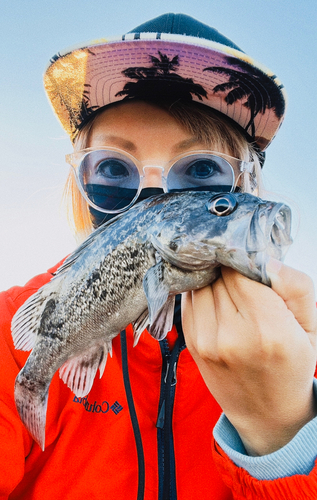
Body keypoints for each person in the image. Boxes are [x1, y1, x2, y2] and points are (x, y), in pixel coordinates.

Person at [0, 12, 316, 500]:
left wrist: (285, 429)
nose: (152, 195)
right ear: (79, 184)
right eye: (111, 166)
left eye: (203, 169)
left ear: (248, 185)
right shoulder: (6, 336)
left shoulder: (305, 351)